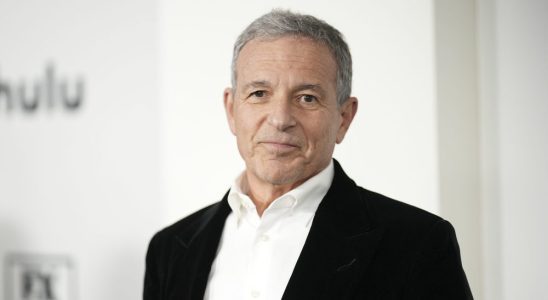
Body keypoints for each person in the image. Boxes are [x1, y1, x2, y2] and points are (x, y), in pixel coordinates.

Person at [143, 9, 473, 300]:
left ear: (344, 118)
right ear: (231, 109)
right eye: (259, 93)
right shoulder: (170, 248)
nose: (280, 119)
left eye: (307, 98)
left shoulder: (419, 244)